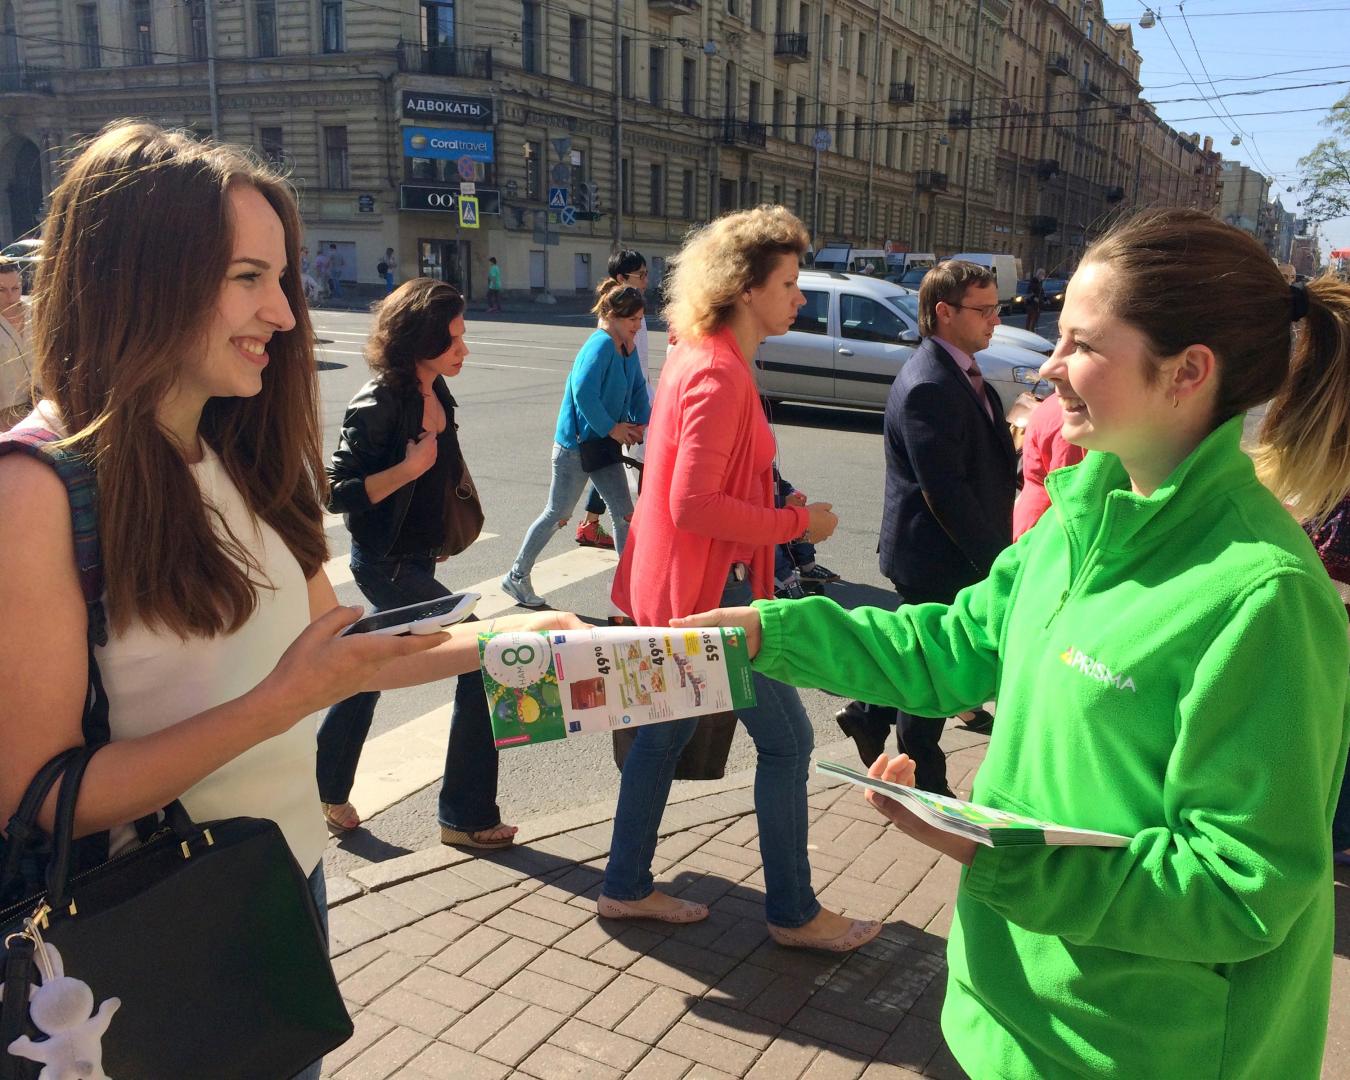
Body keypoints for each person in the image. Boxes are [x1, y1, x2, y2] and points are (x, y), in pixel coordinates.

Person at [677, 209, 1350, 1077]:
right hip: (994, 1011)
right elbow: (951, 648)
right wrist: (771, 632)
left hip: (1135, 1051)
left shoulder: (1266, 597)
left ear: (1187, 372)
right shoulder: (1082, 516)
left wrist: (987, 853)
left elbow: (1239, 891)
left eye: (1080, 343)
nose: (1048, 366)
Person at [0, 123, 578, 1080]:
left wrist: (507, 640)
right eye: (245, 277)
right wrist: (280, 703)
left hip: (281, 881)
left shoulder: (239, 449)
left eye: (284, 277)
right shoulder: (40, 487)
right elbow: (37, 798)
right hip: (147, 916)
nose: (283, 310)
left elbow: (336, 649)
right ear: (137, 279)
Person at [599, 205, 881, 953]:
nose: (800, 298)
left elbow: (699, 484)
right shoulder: (720, 373)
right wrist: (798, 526)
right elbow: (693, 504)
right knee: (788, 745)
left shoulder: (702, 353)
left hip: (690, 590)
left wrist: (771, 499)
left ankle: (625, 885)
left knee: (663, 740)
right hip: (716, 598)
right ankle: (793, 912)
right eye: (789, 283)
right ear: (745, 286)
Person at [317, 278, 519, 848]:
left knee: (366, 667)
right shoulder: (379, 401)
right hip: (386, 562)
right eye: (454, 338)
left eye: (463, 336)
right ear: (421, 339)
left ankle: (327, 789)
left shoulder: (434, 388)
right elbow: (337, 492)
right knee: (483, 659)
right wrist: (406, 470)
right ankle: (465, 816)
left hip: (412, 558)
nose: (464, 349)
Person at [834, 260, 1016, 791]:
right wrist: (996, 564)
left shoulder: (957, 372)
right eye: (984, 310)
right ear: (944, 312)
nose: (995, 321)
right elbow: (945, 493)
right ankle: (924, 775)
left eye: (996, 308)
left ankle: (868, 715)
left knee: (920, 653)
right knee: (933, 666)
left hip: (942, 553)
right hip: (937, 556)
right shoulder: (929, 384)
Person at [501, 279, 650, 608]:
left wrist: (641, 422)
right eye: (632, 320)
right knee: (558, 513)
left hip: (601, 446)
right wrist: (612, 428)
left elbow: (638, 388)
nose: (638, 327)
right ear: (611, 316)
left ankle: (632, 587)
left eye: (640, 320)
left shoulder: (627, 346)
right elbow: (583, 393)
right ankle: (516, 576)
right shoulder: (599, 345)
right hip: (576, 446)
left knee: (626, 515)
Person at [575, 250, 651, 549]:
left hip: (626, 408)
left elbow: (636, 370)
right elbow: (586, 389)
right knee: (558, 508)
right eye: (641, 275)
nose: (647, 280)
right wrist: (617, 423)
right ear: (622, 279)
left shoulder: (633, 316)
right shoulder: (611, 330)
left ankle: (594, 523)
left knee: (614, 467)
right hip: (597, 424)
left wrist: (641, 412)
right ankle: (638, 526)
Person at [1012, 392, 1086, 538]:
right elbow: (1072, 493)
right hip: (1049, 531)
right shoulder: (1073, 416)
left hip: (1035, 521)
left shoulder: (1062, 407)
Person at [0, 257, 33, 431]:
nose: (10, 296)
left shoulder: (37, 312)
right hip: (7, 415)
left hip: (44, 406)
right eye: (1, 290)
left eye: (15, 288)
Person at [1024, 266, 1046, 332]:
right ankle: (1029, 331)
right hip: (1032, 304)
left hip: (1038, 304)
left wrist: (1045, 299)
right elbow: (1030, 292)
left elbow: (1041, 292)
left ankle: (1031, 330)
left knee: (1035, 319)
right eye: (1042, 274)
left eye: (1043, 274)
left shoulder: (1040, 282)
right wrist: (1035, 298)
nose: (1043, 276)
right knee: (1031, 319)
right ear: (1039, 274)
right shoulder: (1033, 282)